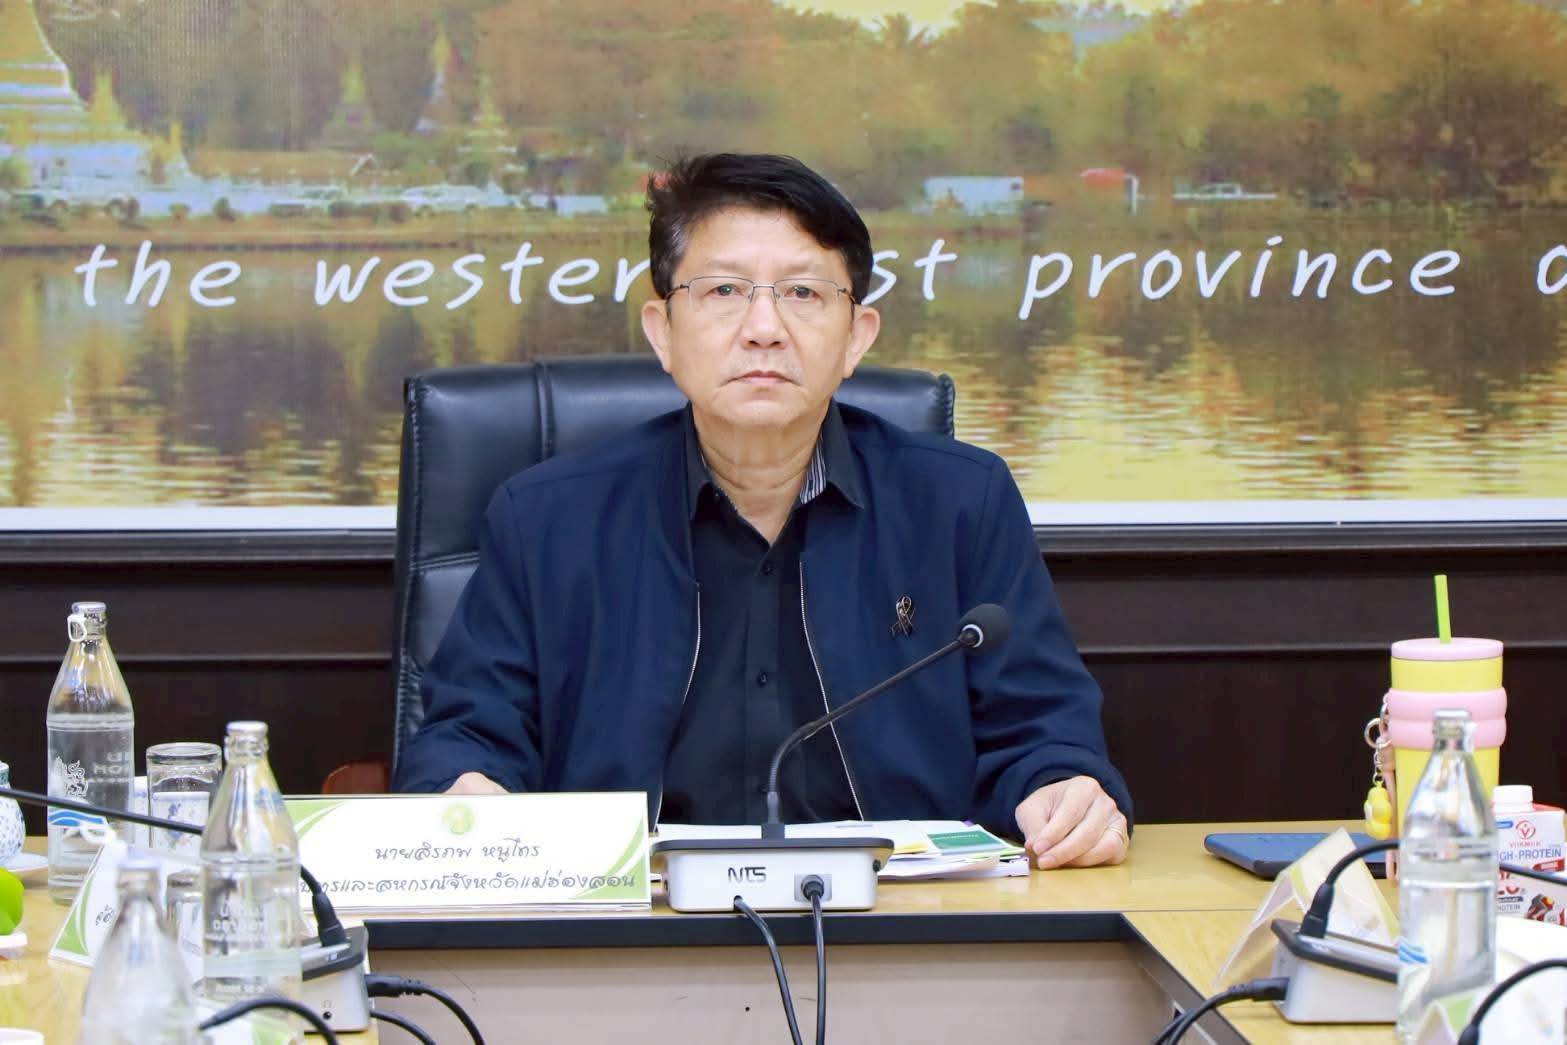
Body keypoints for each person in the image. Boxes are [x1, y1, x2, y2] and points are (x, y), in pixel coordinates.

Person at [394, 153, 1132, 870]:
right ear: (662, 332)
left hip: (901, 920)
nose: (763, 327)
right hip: (634, 923)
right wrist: (465, 791)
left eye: (803, 293)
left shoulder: (960, 502)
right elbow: (468, 736)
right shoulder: (547, 521)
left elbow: (1042, 728)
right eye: (723, 290)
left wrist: (1062, 789)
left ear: (856, 338)